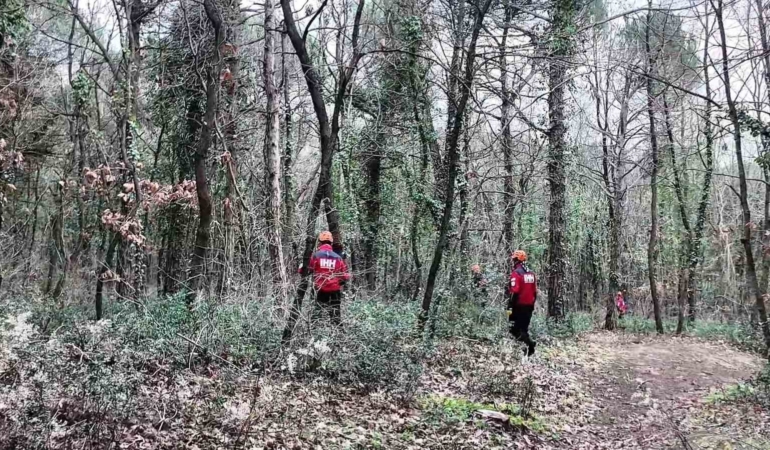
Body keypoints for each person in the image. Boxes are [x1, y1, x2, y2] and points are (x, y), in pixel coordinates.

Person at [307, 231, 350, 324]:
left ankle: (315, 329)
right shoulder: (338, 257)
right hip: (334, 289)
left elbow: (308, 270)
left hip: (320, 288)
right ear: (331, 242)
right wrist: (341, 280)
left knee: (317, 313)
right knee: (335, 314)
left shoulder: (316, 255)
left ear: (320, 242)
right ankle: (337, 329)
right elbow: (345, 275)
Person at [507, 250, 537, 356]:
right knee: (523, 329)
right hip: (529, 305)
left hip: (518, 305)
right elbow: (535, 292)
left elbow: (514, 291)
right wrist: (532, 304)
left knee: (514, 329)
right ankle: (526, 350)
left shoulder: (516, 273)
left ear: (516, 260)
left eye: (513, 259)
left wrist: (510, 306)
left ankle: (530, 347)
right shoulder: (531, 273)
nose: (512, 261)